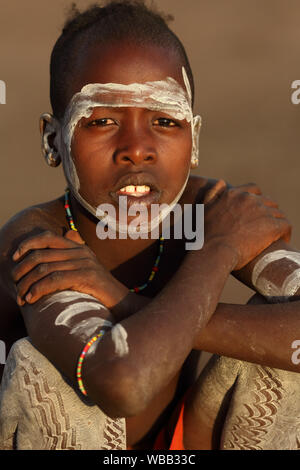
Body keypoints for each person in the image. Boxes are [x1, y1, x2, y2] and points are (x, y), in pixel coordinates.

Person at [0, 0, 300, 450]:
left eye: (164, 121)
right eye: (102, 121)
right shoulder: (38, 243)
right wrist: (218, 252)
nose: (137, 148)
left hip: (184, 444)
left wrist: (123, 301)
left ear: (194, 138)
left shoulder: (215, 212)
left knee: (281, 354)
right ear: (53, 140)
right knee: (40, 367)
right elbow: (125, 384)